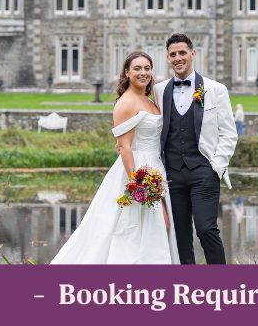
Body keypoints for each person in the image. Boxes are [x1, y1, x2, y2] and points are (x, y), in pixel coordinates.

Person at [51, 51, 179, 264]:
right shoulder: (126, 103)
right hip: (138, 171)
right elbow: (124, 147)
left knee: (157, 228)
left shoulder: (150, 99)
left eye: (147, 68)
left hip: (156, 166)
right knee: (135, 229)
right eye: (137, 68)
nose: (143, 72)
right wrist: (139, 185)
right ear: (127, 73)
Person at [154, 33, 238, 265]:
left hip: (203, 171)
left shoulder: (215, 89)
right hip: (172, 175)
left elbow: (229, 133)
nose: (178, 58)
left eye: (182, 53)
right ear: (168, 58)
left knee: (206, 229)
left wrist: (216, 167)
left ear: (193, 54)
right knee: (179, 236)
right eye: (173, 54)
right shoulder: (160, 90)